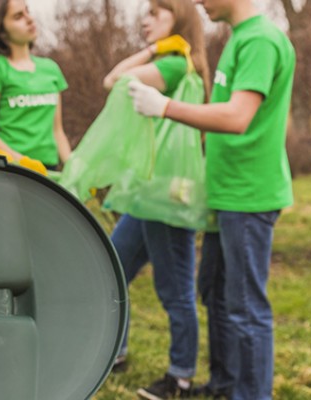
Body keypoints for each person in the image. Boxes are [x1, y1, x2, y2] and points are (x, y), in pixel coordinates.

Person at [127, 0, 296, 398]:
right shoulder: (242, 38)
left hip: (249, 197)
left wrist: (165, 106)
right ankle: (225, 384)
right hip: (228, 193)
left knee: (245, 307)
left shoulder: (260, 41)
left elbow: (238, 117)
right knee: (216, 293)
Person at [98, 0, 211, 398]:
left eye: (156, 13)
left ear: (178, 20)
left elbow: (113, 81)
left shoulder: (175, 65)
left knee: (175, 287)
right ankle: (117, 351)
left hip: (164, 196)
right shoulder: (180, 64)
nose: (145, 20)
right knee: (113, 266)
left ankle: (180, 376)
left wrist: (154, 50)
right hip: (149, 196)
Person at [0, 0, 70, 172]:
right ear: (0, 29)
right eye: (18, 16)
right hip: (12, 170)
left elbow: (57, 131)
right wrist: (21, 161)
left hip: (49, 170)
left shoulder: (51, 69)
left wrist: (73, 166)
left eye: (27, 11)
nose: (29, 19)